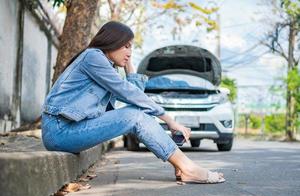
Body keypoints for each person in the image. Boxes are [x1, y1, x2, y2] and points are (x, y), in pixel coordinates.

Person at [41, 21, 225, 184]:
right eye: (126, 46)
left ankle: (181, 165)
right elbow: (127, 92)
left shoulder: (105, 63)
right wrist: (170, 120)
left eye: (131, 48)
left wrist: (127, 63)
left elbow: (134, 94)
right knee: (134, 116)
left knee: (137, 113)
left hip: (71, 128)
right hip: (60, 131)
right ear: (111, 42)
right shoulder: (93, 57)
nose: (129, 52)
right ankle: (187, 168)